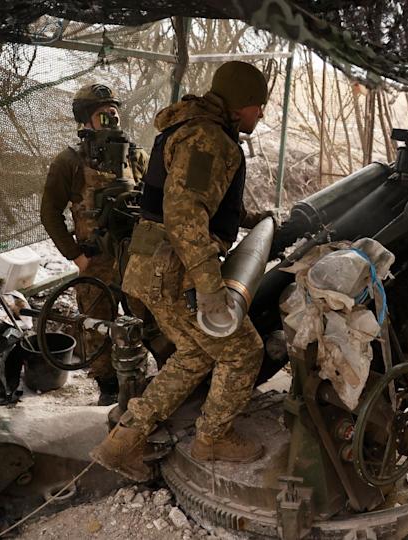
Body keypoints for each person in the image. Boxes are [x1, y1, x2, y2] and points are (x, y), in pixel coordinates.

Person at [90, 61, 273, 481]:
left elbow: (198, 201)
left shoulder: (193, 127)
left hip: (151, 265)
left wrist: (252, 219)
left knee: (193, 353)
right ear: (241, 103)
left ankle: (121, 443)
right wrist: (210, 289)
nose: (260, 113)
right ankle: (212, 438)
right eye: (257, 105)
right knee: (243, 350)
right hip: (174, 269)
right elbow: (186, 213)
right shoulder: (208, 138)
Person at [40, 84, 148, 406]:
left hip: (134, 257)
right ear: (86, 119)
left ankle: (143, 381)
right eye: (103, 112)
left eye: (114, 109)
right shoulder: (69, 162)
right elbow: (49, 213)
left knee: (146, 319)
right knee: (97, 327)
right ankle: (109, 390)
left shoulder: (135, 155)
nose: (112, 116)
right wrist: (75, 256)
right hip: (95, 261)